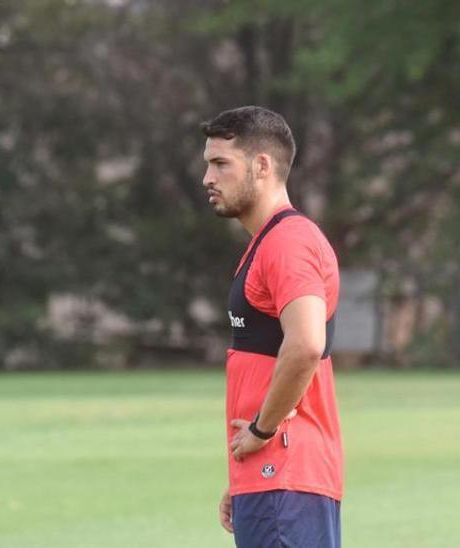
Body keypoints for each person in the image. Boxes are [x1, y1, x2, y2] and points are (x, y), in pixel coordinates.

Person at [201, 106, 343, 548]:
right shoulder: (267, 243)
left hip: (284, 472)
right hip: (271, 476)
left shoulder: (289, 241)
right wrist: (243, 480)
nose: (208, 177)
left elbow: (305, 345)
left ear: (262, 166)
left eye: (221, 163)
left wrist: (262, 430)